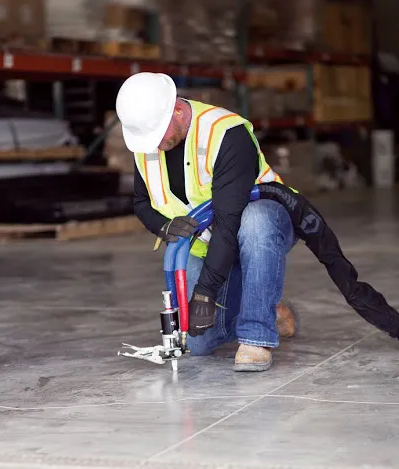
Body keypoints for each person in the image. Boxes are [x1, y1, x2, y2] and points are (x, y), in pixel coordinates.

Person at [115, 72, 297, 371]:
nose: (154, 144)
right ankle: (265, 302)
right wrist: (163, 225)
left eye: (158, 133)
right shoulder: (148, 142)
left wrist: (205, 292)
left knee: (255, 219)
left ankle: (256, 337)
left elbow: (229, 222)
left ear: (176, 108)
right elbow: (140, 202)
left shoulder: (225, 132)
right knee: (198, 343)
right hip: (205, 243)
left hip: (264, 224)